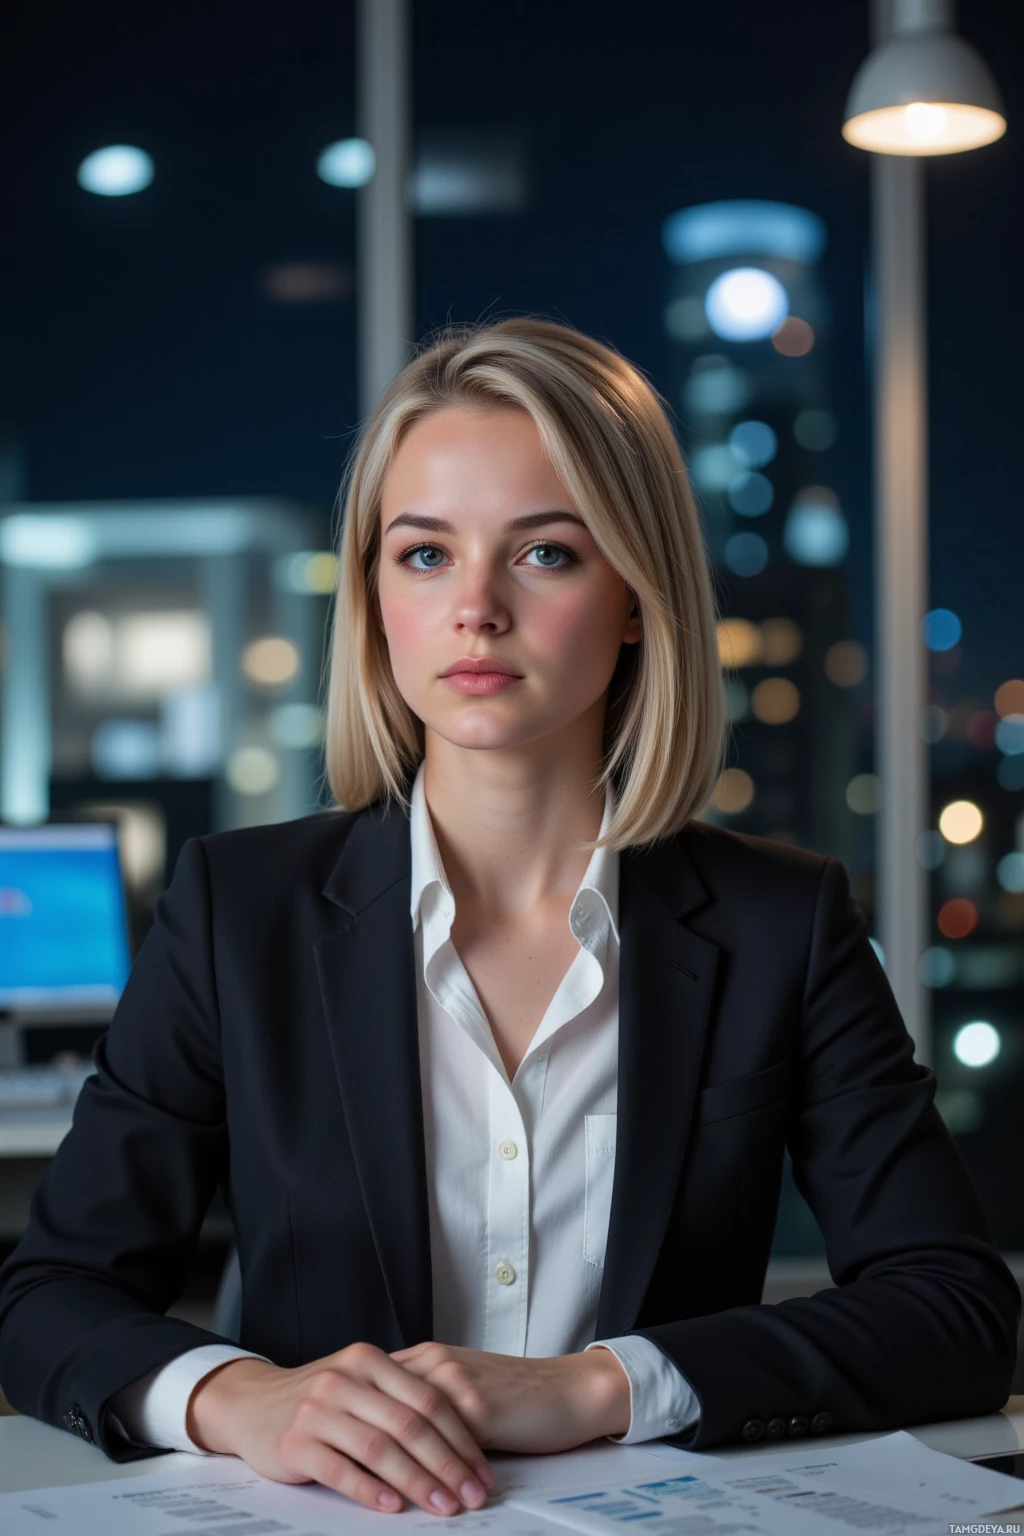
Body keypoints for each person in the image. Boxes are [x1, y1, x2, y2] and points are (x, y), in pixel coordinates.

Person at [0, 317, 1017, 1520]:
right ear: (375, 597)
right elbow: (46, 1296)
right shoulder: (240, 910)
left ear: (636, 594)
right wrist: (239, 1398)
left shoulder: (778, 922)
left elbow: (952, 1305)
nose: (474, 608)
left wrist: (595, 1386)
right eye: (423, 555)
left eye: (544, 554)